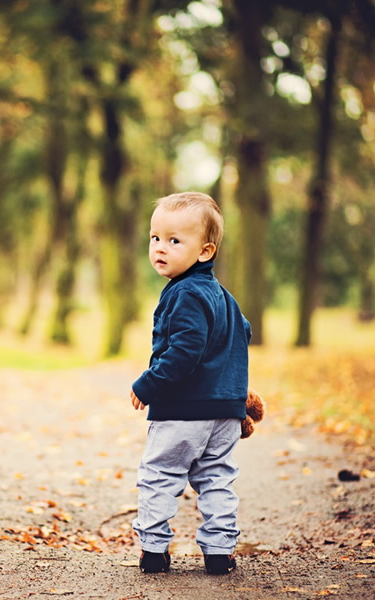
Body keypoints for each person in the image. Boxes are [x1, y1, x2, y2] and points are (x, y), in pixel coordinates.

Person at [130, 191, 251, 575]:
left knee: (161, 474)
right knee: (216, 477)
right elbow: (241, 334)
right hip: (223, 413)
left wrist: (148, 384)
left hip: (183, 411)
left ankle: (153, 550)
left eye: (174, 240)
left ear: (204, 251)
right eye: (155, 238)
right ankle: (219, 552)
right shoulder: (223, 297)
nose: (159, 248)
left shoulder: (184, 293)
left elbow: (185, 352)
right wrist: (230, 386)